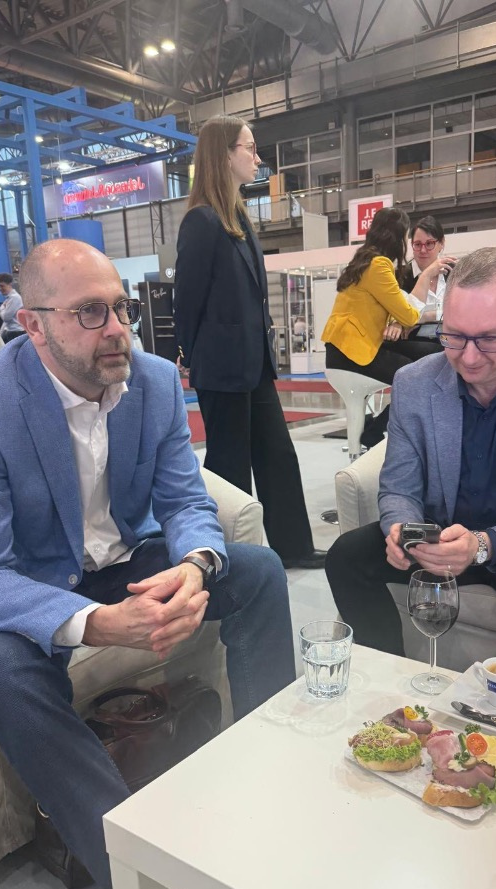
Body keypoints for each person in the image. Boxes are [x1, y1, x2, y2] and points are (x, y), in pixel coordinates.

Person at [0, 238, 296, 889]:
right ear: (33, 324)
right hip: (36, 584)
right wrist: (96, 625)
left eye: (121, 308)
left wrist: (195, 566)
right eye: (90, 312)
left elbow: (185, 501)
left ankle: (269, 778)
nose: (117, 329)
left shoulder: (153, 382)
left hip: (130, 564)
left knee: (258, 573)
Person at [325, 247, 496, 685]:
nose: (469, 358)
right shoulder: (415, 383)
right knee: (346, 557)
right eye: (453, 337)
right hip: (439, 535)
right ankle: (387, 685)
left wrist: (482, 545)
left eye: (489, 339)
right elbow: (398, 487)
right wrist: (401, 529)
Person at [173, 114, 324, 570]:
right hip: (222, 365)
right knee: (230, 465)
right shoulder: (201, 221)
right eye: (250, 148)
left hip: (254, 362)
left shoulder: (237, 216)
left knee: (278, 454)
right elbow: (187, 300)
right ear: (224, 154)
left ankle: (293, 547)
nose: (258, 158)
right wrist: (190, 355)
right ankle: (232, 560)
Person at [322, 207, 447, 448]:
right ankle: (378, 431)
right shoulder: (379, 265)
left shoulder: (366, 261)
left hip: (351, 348)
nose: (419, 249)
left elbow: (390, 307)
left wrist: (398, 320)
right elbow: (408, 315)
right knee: (416, 376)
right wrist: (425, 277)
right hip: (353, 354)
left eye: (429, 244)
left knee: (432, 356)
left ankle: (377, 430)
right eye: (413, 241)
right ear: (399, 237)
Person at [399, 214, 457, 329]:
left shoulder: (455, 272)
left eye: (429, 243)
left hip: (450, 337)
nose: (423, 250)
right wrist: (427, 274)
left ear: (441, 243)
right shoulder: (400, 277)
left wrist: (426, 317)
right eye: (417, 244)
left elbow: (463, 312)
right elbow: (403, 317)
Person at [0, 271, 25, 342]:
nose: (0, 289)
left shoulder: (15, 298)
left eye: (2, 286)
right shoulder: (9, 299)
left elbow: (6, 318)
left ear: (9, 284)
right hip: (11, 331)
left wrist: (2, 308)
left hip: (16, 332)